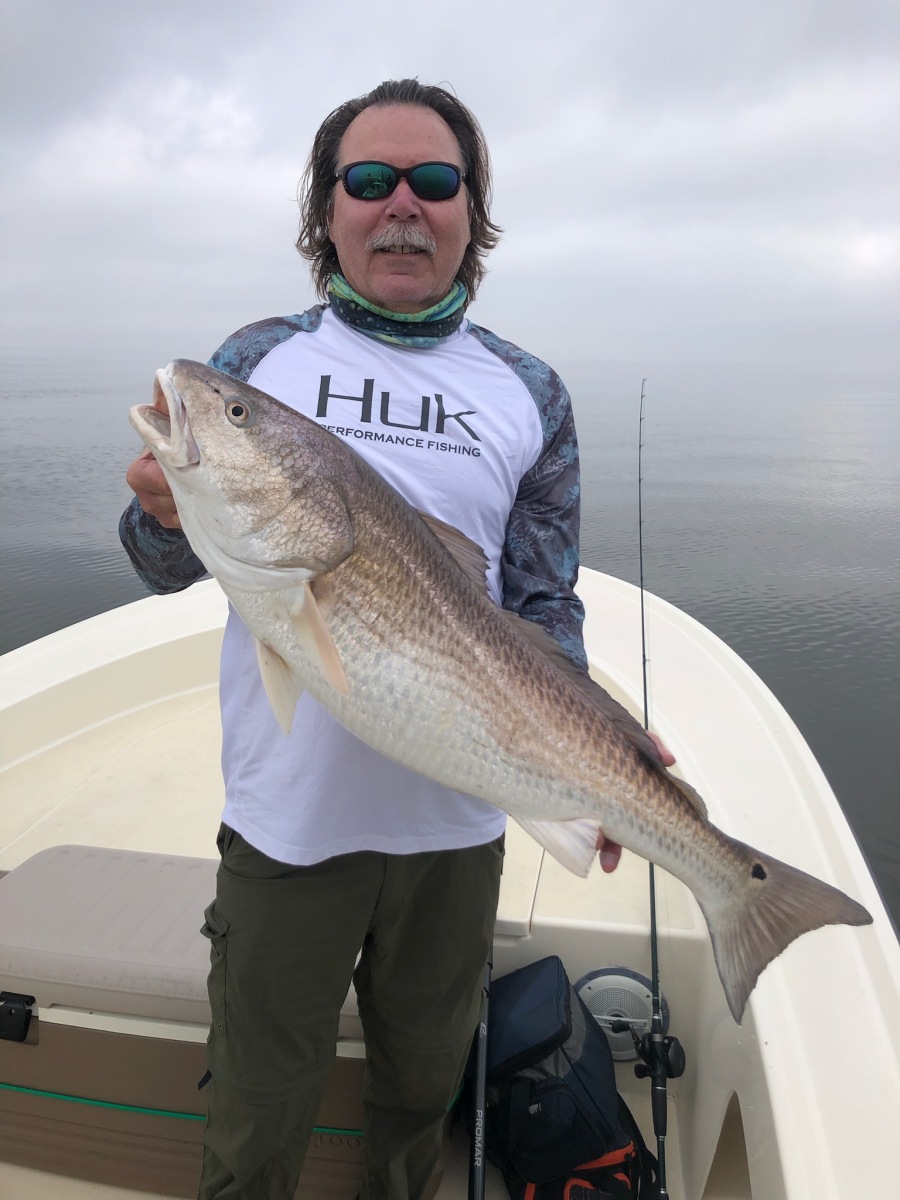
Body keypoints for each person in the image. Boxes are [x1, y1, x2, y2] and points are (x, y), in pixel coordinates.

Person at [121, 78, 648, 1200]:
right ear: (328, 210)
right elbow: (165, 567)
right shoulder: (258, 360)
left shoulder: (530, 391)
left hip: (460, 821)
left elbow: (543, 602)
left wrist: (597, 755)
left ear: (471, 212)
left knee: (420, 1095)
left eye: (434, 180)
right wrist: (162, 514)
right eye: (368, 180)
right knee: (259, 1105)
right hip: (289, 819)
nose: (401, 203)